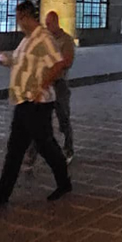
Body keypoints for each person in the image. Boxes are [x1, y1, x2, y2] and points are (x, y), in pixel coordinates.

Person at [0, 1, 72, 211]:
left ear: (25, 16)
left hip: (37, 104)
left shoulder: (43, 38)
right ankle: (1, 196)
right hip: (23, 102)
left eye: (18, 18)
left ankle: (64, 183)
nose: (18, 23)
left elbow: (59, 63)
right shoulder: (26, 41)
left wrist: (41, 86)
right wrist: (4, 59)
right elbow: (18, 60)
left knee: (46, 147)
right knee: (14, 150)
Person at [25, 11, 76, 169]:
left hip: (59, 85)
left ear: (56, 22)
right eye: (45, 24)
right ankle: (31, 155)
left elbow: (67, 62)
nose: (47, 26)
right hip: (45, 85)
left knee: (63, 118)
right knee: (38, 120)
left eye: (49, 23)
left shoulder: (66, 40)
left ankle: (68, 149)